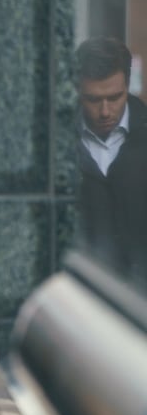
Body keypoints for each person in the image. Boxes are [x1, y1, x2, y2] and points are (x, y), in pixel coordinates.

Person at [74, 37, 147, 282]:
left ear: (128, 86)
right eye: (93, 99)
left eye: (115, 98)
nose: (105, 111)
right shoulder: (54, 142)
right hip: (74, 297)